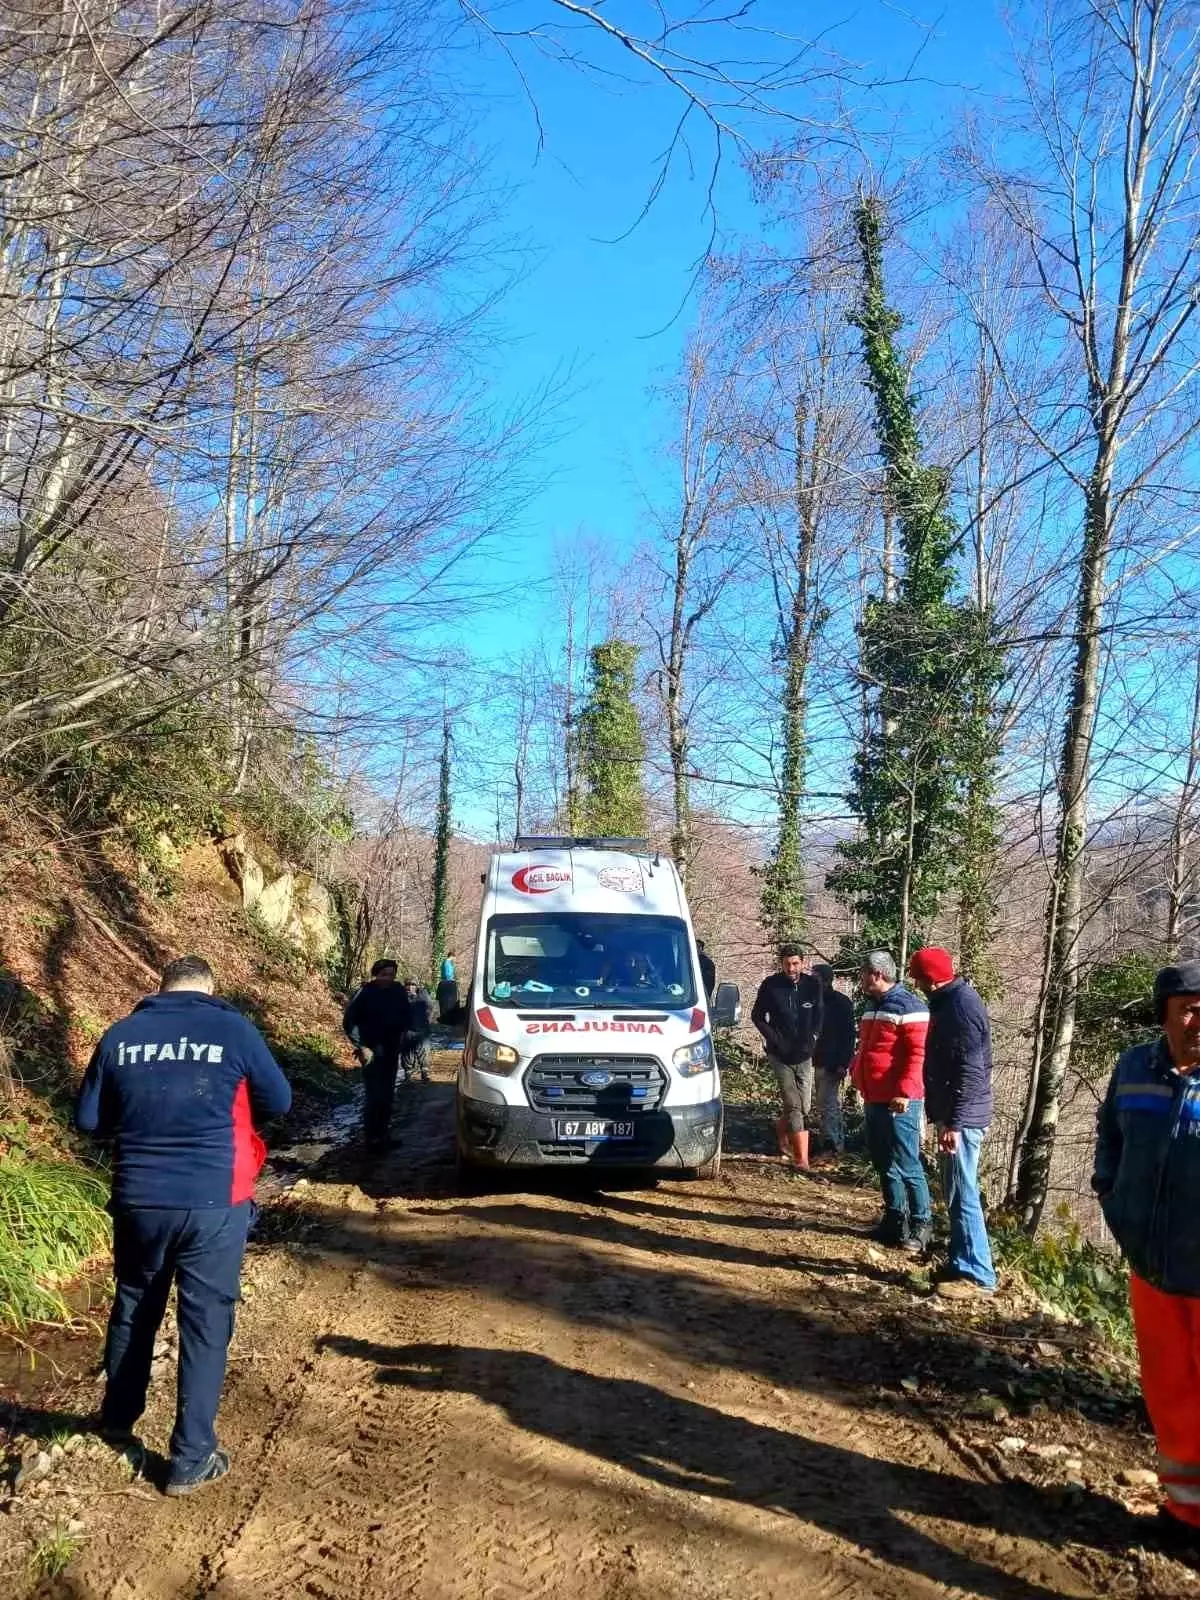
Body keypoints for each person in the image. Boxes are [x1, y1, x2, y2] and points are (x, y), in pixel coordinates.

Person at [74, 955, 291, 1496]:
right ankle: (192, 1456)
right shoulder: (232, 1029)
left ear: (161, 988)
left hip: (139, 1198)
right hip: (213, 1200)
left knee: (133, 1303)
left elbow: (88, 1121)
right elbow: (279, 1099)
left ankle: (118, 1421)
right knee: (205, 1321)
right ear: (209, 989)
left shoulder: (121, 1035)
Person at [1093, 962, 1200, 1557]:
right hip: (1153, 1269)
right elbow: (1110, 1134)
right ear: (1164, 1012)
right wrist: (1109, 1192)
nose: (1198, 1019)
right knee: (1170, 1394)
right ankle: (1184, 1514)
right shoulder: (1135, 1066)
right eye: (1187, 1006)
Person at [908, 946, 997, 1298]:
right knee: (955, 1191)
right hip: (955, 1116)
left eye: (917, 976)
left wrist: (954, 1124)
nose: (915, 982)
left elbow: (971, 1073)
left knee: (963, 1193)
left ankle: (978, 1274)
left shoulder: (960, 1008)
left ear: (930, 977)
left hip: (964, 1119)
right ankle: (961, 1262)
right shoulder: (949, 1001)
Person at [849, 951, 931, 1250]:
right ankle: (895, 1219)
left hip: (900, 1102)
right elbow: (868, 1050)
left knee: (907, 1161)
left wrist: (905, 1092)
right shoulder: (872, 1007)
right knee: (883, 1160)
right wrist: (857, 1074)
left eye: (863, 974)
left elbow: (918, 1055)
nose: (861, 979)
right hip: (874, 1097)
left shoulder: (911, 1007)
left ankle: (922, 1224)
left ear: (877, 975)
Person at [751, 944, 824, 1169]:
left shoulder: (812, 985)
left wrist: (813, 1037)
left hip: (804, 1054)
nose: (791, 968)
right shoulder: (771, 985)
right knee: (793, 1105)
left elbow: (819, 1013)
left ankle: (782, 1129)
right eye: (787, 964)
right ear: (781, 964)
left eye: (795, 963)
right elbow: (757, 1016)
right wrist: (774, 1038)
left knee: (805, 1107)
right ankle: (801, 1159)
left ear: (803, 963)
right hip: (779, 1055)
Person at [343, 958, 412, 1148]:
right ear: (376, 974)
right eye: (384, 975)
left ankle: (383, 1134)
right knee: (374, 1095)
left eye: (391, 975)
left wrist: (405, 1034)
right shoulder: (365, 993)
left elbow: (406, 1015)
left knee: (388, 1094)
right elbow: (349, 1022)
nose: (387, 979)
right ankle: (371, 1137)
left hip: (392, 1048)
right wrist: (361, 1045)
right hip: (371, 1050)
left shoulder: (398, 991)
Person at [811, 963, 854, 1160]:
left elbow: (848, 1036)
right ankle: (825, 1142)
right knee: (822, 1103)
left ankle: (834, 1144)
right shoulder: (811, 1000)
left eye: (816, 978)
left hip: (832, 1062)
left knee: (828, 1103)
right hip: (816, 1059)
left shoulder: (841, 1003)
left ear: (827, 981)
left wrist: (843, 1063)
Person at [402, 979, 433, 1084]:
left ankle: (425, 1073)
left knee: (424, 1052)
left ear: (417, 986)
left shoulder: (423, 995)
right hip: (407, 1030)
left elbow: (430, 1008)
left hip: (422, 1029)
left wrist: (426, 1021)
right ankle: (408, 1075)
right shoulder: (400, 997)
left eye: (413, 984)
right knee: (407, 1054)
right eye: (408, 984)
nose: (410, 987)